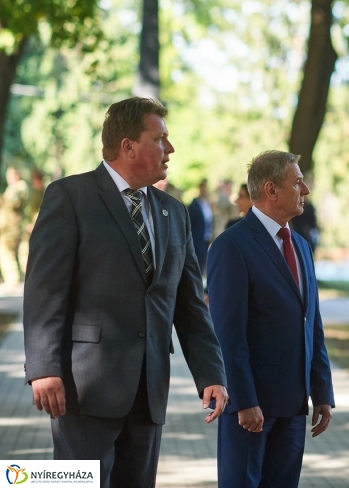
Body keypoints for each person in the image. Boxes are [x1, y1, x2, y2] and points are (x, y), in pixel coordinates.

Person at [23, 97, 228, 488]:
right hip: (83, 391)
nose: (171, 148)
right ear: (128, 146)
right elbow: (44, 290)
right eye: (161, 139)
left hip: (148, 393)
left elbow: (189, 306)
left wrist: (211, 374)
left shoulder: (175, 212)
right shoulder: (70, 197)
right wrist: (43, 368)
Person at [208, 150, 334, 488]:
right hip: (252, 408)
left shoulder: (302, 247)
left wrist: (322, 390)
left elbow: (312, 323)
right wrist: (244, 400)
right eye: (297, 182)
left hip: (294, 405)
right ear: (271, 189)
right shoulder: (231, 246)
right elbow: (228, 334)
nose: (305, 190)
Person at [0, 166, 29, 288]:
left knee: (7, 252)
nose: (11, 178)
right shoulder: (12, 188)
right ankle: (15, 279)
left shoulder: (20, 187)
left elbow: (14, 202)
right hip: (8, 227)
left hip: (13, 227)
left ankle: (13, 280)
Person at [188, 179, 213, 275]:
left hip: (206, 238)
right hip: (197, 239)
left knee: (204, 263)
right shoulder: (195, 204)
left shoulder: (208, 204)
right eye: (203, 188)